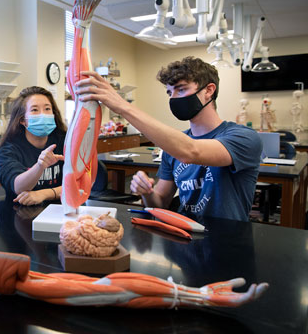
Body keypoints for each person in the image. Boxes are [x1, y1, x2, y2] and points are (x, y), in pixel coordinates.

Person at [75, 56, 261, 222]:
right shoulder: (173, 147)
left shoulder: (243, 137)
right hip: (184, 236)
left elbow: (191, 151)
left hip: (227, 241)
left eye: (181, 90)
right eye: (169, 93)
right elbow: (161, 203)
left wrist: (122, 106)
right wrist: (147, 193)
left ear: (209, 90)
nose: (173, 98)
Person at [0, 86, 106, 206]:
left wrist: (44, 194)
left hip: (63, 208)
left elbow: (80, 183)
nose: (43, 114)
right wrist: (40, 166)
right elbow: (18, 187)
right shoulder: (8, 149)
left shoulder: (66, 141)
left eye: (47, 109)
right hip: (23, 213)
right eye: (34, 110)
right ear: (23, 120)